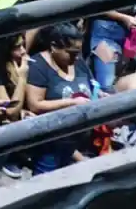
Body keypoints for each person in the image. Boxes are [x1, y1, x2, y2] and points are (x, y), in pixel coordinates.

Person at [26, 23, 94, 174]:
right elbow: (35, 105)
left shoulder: (78, 61)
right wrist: (72, 103)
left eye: (78, 52)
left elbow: (92, 85)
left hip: (76, 141)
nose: (75, 57)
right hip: (51, 143)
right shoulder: (38, 66)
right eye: (70, 53)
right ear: (54, 47)